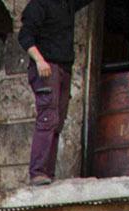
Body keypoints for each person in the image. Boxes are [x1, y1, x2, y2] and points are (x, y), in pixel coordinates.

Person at [19, 0, 86, 185]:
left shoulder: (66, 4)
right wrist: (40, 61)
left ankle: (47, 173)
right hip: (46, 68)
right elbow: (25, 36)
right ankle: (38, 172)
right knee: (48, 118)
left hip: (63, 68)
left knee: (57, 121)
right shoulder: (39, 5)